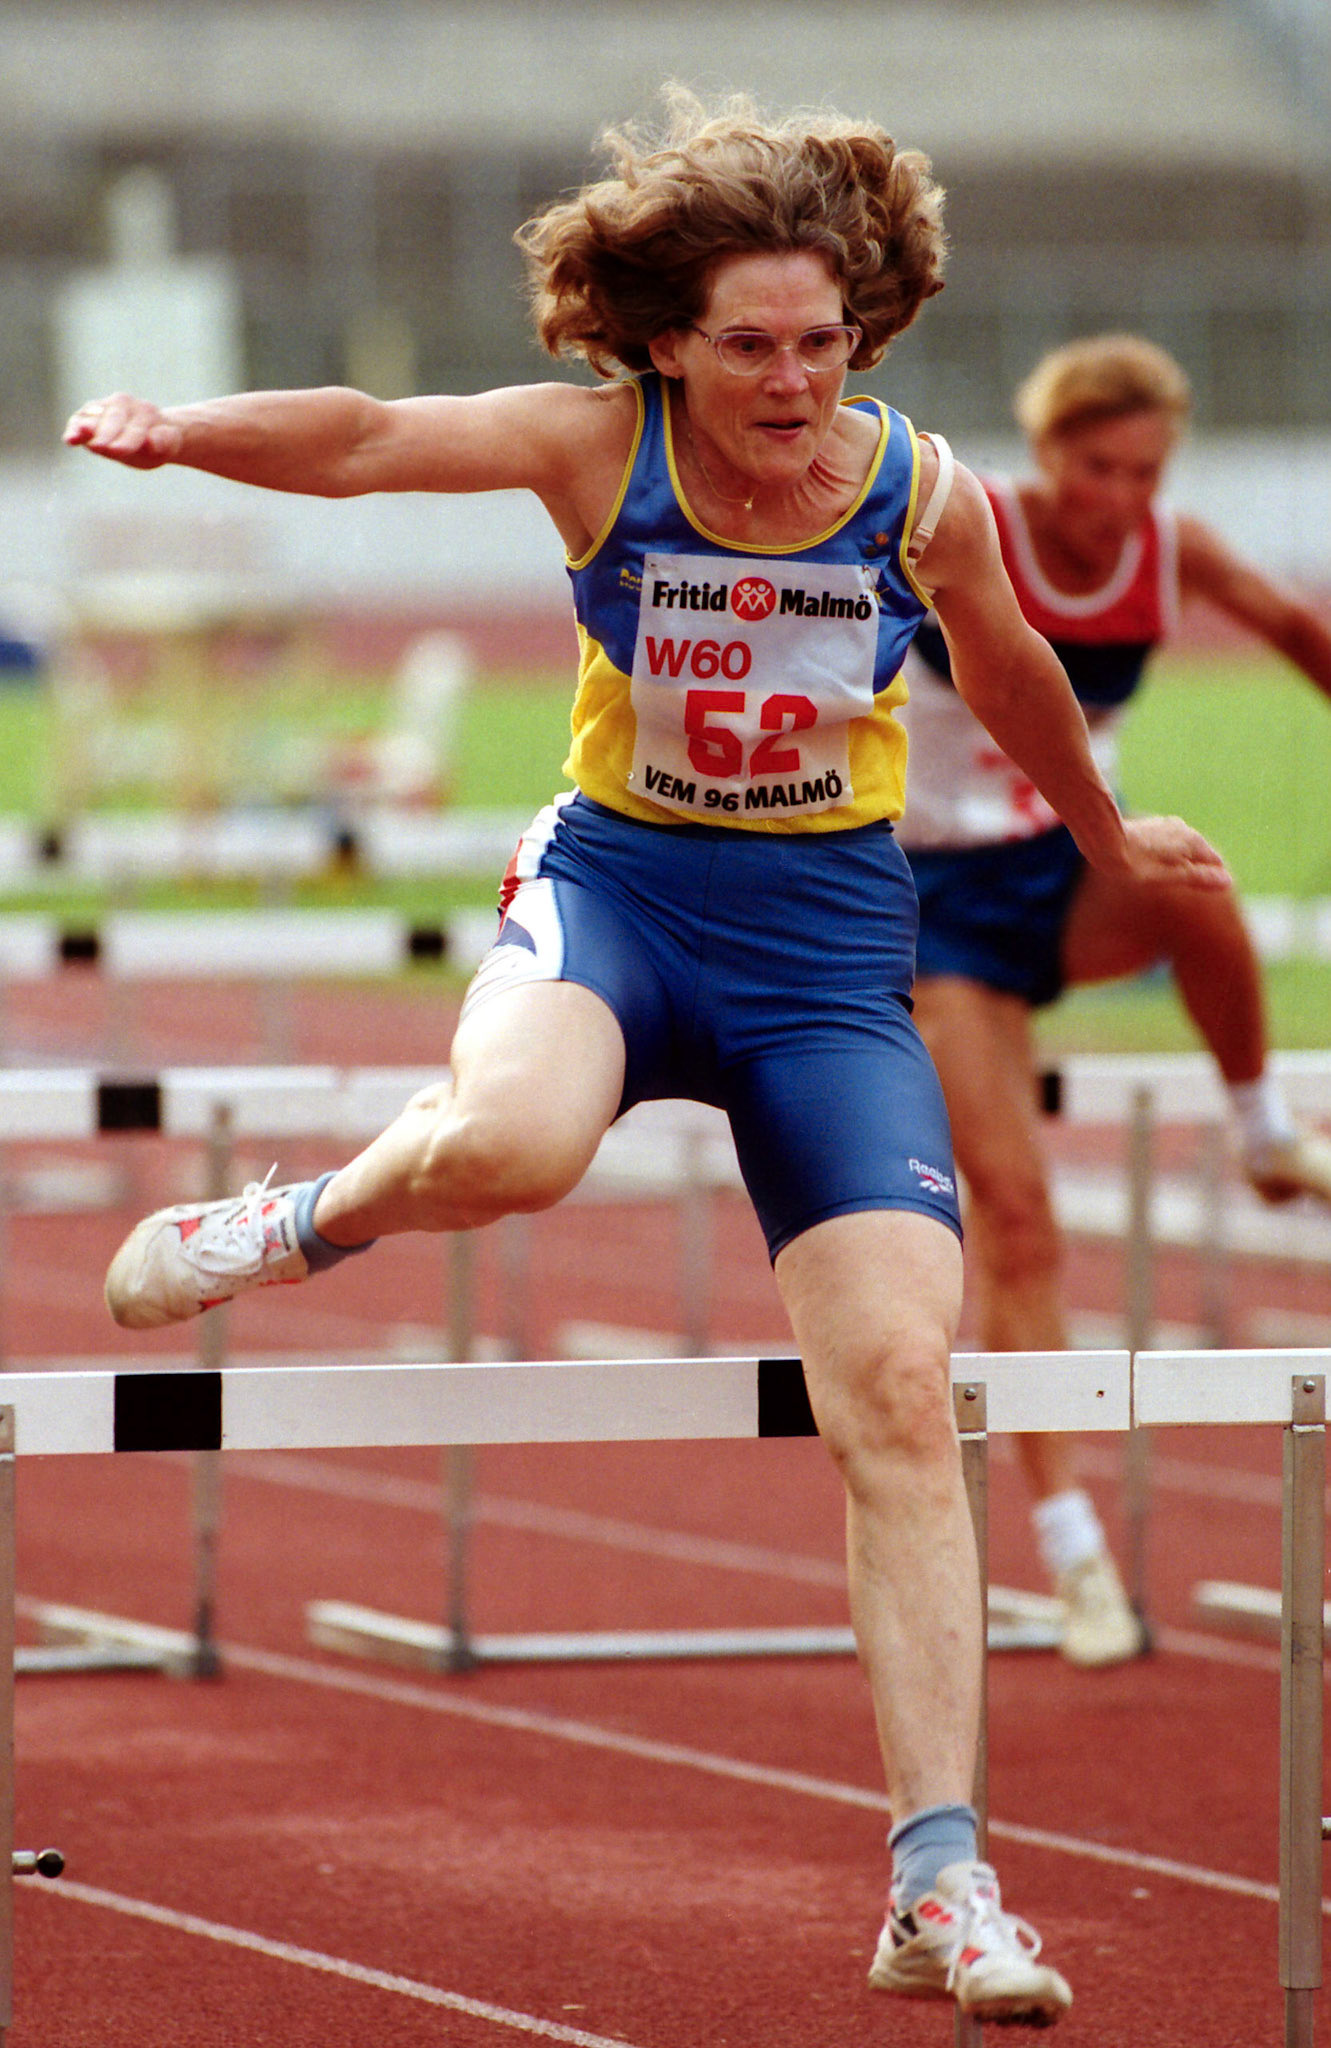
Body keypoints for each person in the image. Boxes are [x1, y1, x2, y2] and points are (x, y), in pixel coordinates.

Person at [65, 95, 1231, 2026]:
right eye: (751, 346)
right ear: (668, 341)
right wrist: (180, 433)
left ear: (865, 337)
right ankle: (295, 1220)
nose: (791, 383)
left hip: (828, 946)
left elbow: (1009, 657)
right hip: (622, 898)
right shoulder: (603, 448)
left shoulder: (919, 488)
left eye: (822, 345)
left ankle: (939, 1883)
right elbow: (364, 440)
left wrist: (1106, 833)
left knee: (894, 1382)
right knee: (513, 1148)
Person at [896, 333, 1331, 1669]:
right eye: (1096, 465)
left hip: (1076, 866)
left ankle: (1263, 1134)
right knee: (1017, 1217)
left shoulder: (1171, 550)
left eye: (1144, 470)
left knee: (1199, 878)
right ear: (1046, 455)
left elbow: (1298, 628)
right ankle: (1071, 1545)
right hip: (934, 901)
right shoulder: (961, 529)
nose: (1118, 496)